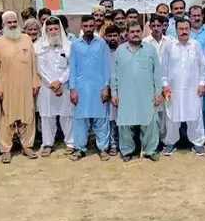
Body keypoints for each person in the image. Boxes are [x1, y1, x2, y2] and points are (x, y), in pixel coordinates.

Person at [0, 11, 41, 163]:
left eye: (14, 22)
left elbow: (33, 64)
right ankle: (6, 149)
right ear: (3, 25)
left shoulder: (26, 39)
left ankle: (27, 146)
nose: (12, 25)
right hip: (7, 86)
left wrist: (35, 82)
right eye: (9, 23)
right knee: (6, 117)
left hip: (26, 85)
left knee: (28, 115)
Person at [112, 22, 163, 162]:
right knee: (125, 123)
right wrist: (114, 93)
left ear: (142, 32)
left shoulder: (150, 49)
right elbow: (114, 74)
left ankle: (150, 150)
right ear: (127, 33)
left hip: (146, 93)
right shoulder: (120, 50)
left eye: (138, 31)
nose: (135, 34)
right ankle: (127, 151)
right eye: (132, 31)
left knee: (149, 122)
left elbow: (157, 73)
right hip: (125, 93)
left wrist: (158, 92)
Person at [159, 19, 205, 156]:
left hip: (193, 89)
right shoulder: (169, 45)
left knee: (195, 116)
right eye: (181, 29)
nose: (184, 31)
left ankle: (198, 143)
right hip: (173, 89)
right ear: (176, 30)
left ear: (190, 29)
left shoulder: (196, 45)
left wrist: (202, 83)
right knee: (172, 117)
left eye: (186, 28)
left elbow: (203, 66)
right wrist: (165, 85)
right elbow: (163, 68)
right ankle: (170, 143)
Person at [69, 15, 111, 161]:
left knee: (101, 119)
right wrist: (72, 89)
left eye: (90, 26)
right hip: (80, 88)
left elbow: (107, 67)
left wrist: (106, 86)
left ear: (95, 26)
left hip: (98, 87)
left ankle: (103, 148)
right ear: (81, 27)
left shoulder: (101, 44)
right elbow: (72, 68)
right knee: (80, 120)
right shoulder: (75, 45)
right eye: (85, 26)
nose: (88, 29)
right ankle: (80, 148)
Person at [35, 17, 74, 157]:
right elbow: (39, 68)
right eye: (50, 29)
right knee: (47, 116)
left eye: (55, 29)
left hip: (65, 86)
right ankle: (47, 144)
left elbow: (71, 66)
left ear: (60, 29)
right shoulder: (39, 46)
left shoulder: (69, 45)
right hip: (47, 87)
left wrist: (61, 81)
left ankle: (70, 142)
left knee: (67, 115)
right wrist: (52, 83)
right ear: (45, 30)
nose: (53, 31)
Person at [103, 25, 121, 155]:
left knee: (120, 118)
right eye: (110, 36)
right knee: (109, 118)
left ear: (119, 37)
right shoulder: (102, 52)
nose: (112, 38)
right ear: (105, 37)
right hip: (106, 89)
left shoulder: (124, 50)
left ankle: (123, 144)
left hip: (121, 89)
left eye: (115, 35)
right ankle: (112, 144)